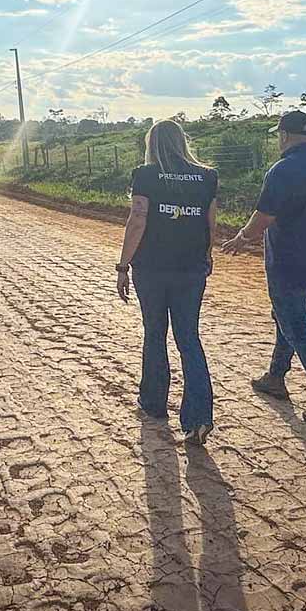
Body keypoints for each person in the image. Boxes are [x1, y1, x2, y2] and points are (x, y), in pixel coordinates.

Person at [222, 111, 306, 428]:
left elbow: (263, 217)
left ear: (283, 135)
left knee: (297, 326)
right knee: (287, 316)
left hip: (287, 262)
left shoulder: (282, 170)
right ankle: (276, 376)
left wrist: (241, 239)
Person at [116, 119, 219, 446]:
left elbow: (138, 220)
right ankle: (199, 417)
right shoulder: (206, 176)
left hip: (152, 268)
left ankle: (154, 402)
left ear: (152, 144)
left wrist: (122, 265)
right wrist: (207, 254)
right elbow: (210, 222)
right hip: (191, 268)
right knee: (189, 337)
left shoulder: (145, 174)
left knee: (155, 333)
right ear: (182, 142)